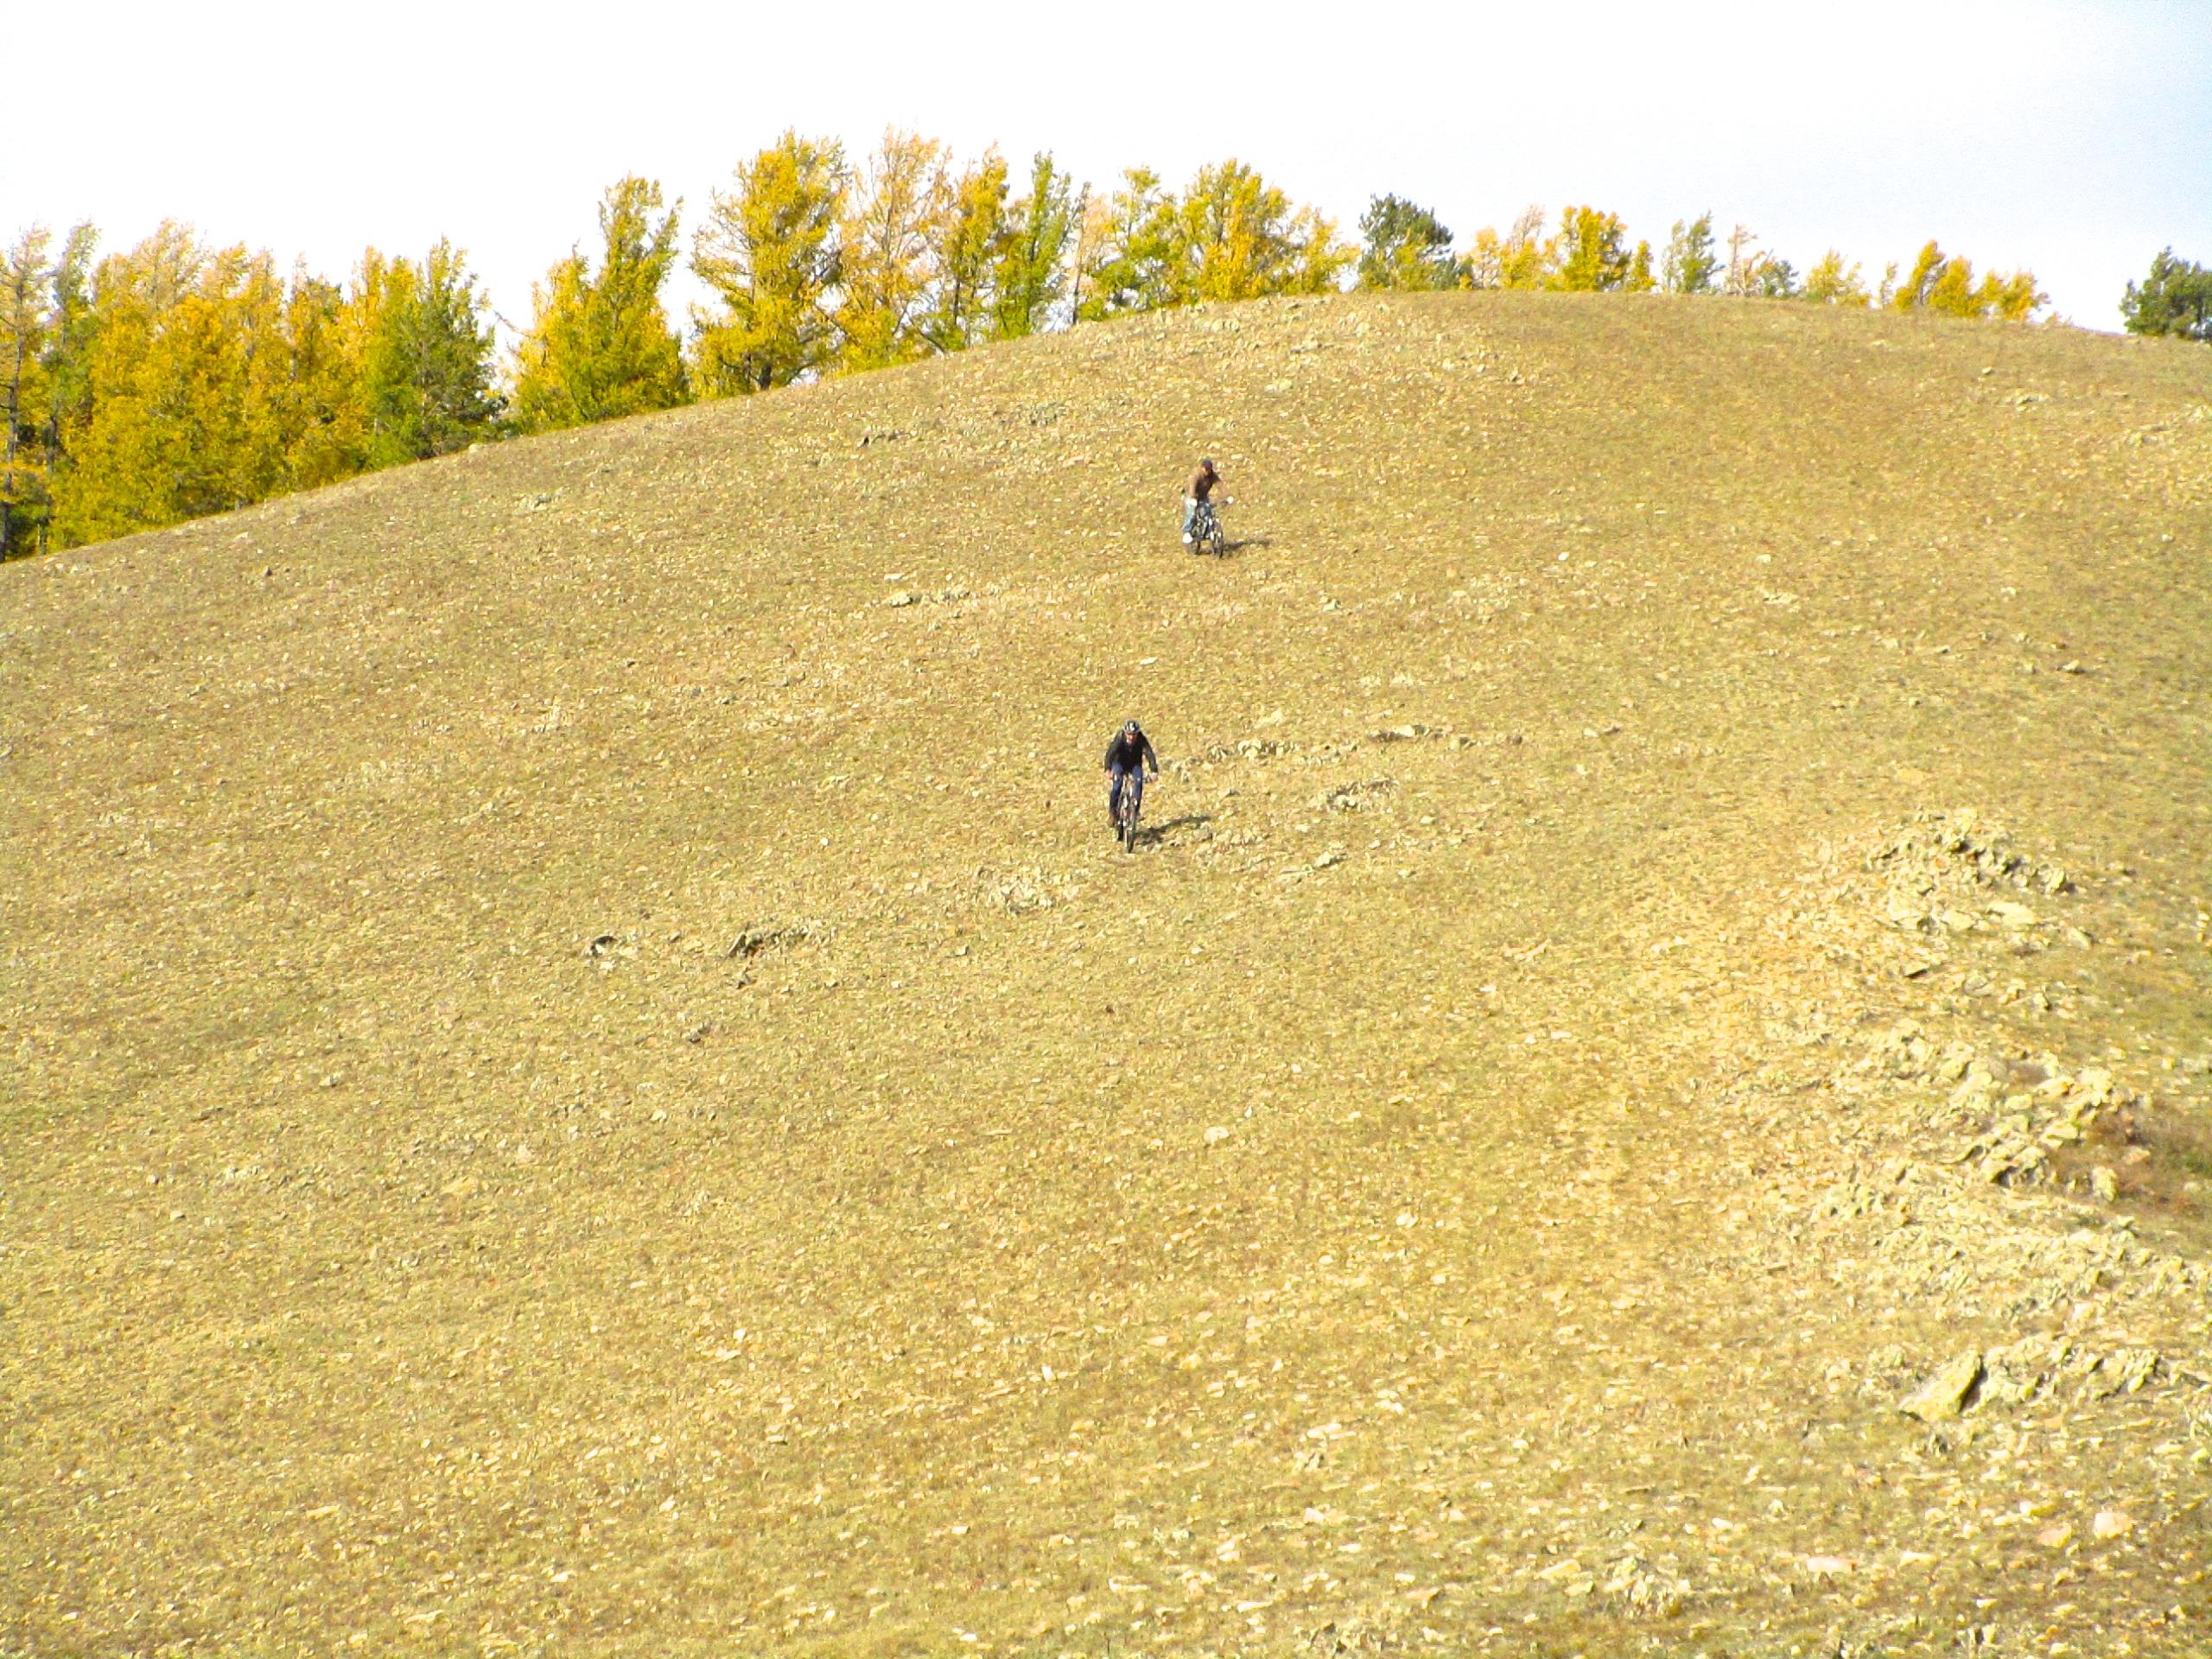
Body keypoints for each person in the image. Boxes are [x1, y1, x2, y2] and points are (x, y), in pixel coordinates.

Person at [1103, 719, 1160, 830]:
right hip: (1119, 763)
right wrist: (1108, 769)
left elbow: (1149, 753)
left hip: (1134, 764)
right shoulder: (1120, 738)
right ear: (1125, 733)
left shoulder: (1142, 739)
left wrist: (1154, 770)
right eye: (1129, 734)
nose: (1131, 737)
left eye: (1134, 735)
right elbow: (1110, 753)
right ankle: (1113, 813)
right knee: (1117, 786)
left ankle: (1135, 812)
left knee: (1138, 783)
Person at [1182, 457, 1221, 545]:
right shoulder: (1196, 475)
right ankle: (1187, 532)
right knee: (1191, 512)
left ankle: (1207, 531)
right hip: (1191, 495)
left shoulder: (1212, 476)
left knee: (1207, 513)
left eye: (1209, 469)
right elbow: (1192, 487)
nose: (1207, 471)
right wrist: (1192, 498)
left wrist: (1228, 496)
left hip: (1203, 496)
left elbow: (1220, 485)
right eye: (1206, 469)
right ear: (1202, 468)